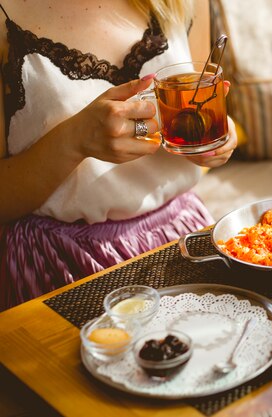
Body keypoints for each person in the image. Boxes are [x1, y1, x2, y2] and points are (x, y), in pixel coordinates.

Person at [0, 0, 238, 310]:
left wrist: (215, 132)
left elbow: (191, 99)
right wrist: (73, 141)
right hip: (63, 265)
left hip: (184, 236)